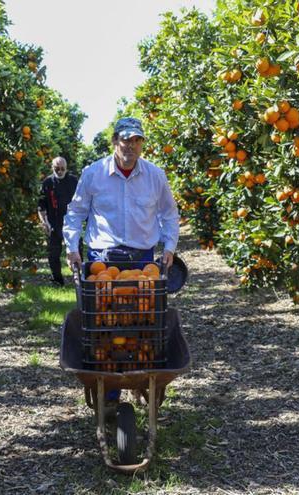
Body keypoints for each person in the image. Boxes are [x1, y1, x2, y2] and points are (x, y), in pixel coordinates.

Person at [62, 117, 180, 404]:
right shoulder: (94, 173)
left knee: (142, 322)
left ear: (142, 144)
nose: (131, 145)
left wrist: (169, 246)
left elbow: (169, 213)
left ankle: (140, 378)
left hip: (142, 260)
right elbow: (75, 212)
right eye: (126, 139)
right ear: (115, 141)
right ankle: (110, 392)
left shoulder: (155, 175)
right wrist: (71, 246)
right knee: (104, 324)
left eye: (137, 140)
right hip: (102, 258)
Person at [38, 157, 80, 286]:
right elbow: (41, 205)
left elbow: (82, 202)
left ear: (66, 168)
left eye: (62, 169)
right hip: (54, 224)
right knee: (53, 254)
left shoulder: (74, 181)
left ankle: (79, 280)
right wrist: (44, 222)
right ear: (52, 168)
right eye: (57, 169)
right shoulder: (48, 183)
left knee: (76, 252)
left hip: (71, 223)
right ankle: (57, 280)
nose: (60, 171)